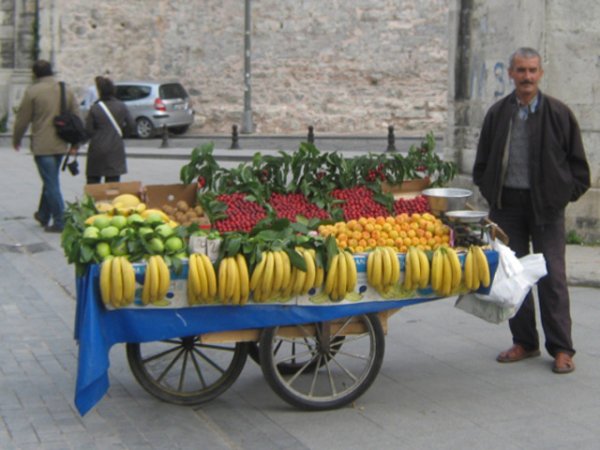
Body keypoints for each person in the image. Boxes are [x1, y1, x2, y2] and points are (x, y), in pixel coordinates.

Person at [473, 47, 590, 374]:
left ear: (540, 74)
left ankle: (562, 348)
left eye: (532, 71)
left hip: (547, 209)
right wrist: (491, 193)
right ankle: (524, 341)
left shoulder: (559, 114)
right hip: (507, 207)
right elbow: (482, 164)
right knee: (514, 275)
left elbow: (579, 169)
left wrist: (561, 196)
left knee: (552, 276)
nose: (527, 77)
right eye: (521, 70)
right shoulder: (498, 114)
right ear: (511, 74)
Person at [12, 59, 80, 233]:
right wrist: (75, 143)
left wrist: (17, 139)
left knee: (51, 182)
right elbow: (77, 117)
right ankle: (43, 214)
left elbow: (22, 119)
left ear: (35, 74)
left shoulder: (33, 91)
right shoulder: (66, 89)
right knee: (50, 179)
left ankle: (60, 220)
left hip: (42, 144)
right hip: (61, 142)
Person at [84, 76, 135, 184]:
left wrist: (96, 135)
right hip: (115, 147)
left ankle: (93, 201)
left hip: (97, 147)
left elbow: (88, 129)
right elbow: (131, 125)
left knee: (93, 182)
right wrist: (122, 134)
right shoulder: (121, 106)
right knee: (113, 184)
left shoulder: (95, 108)